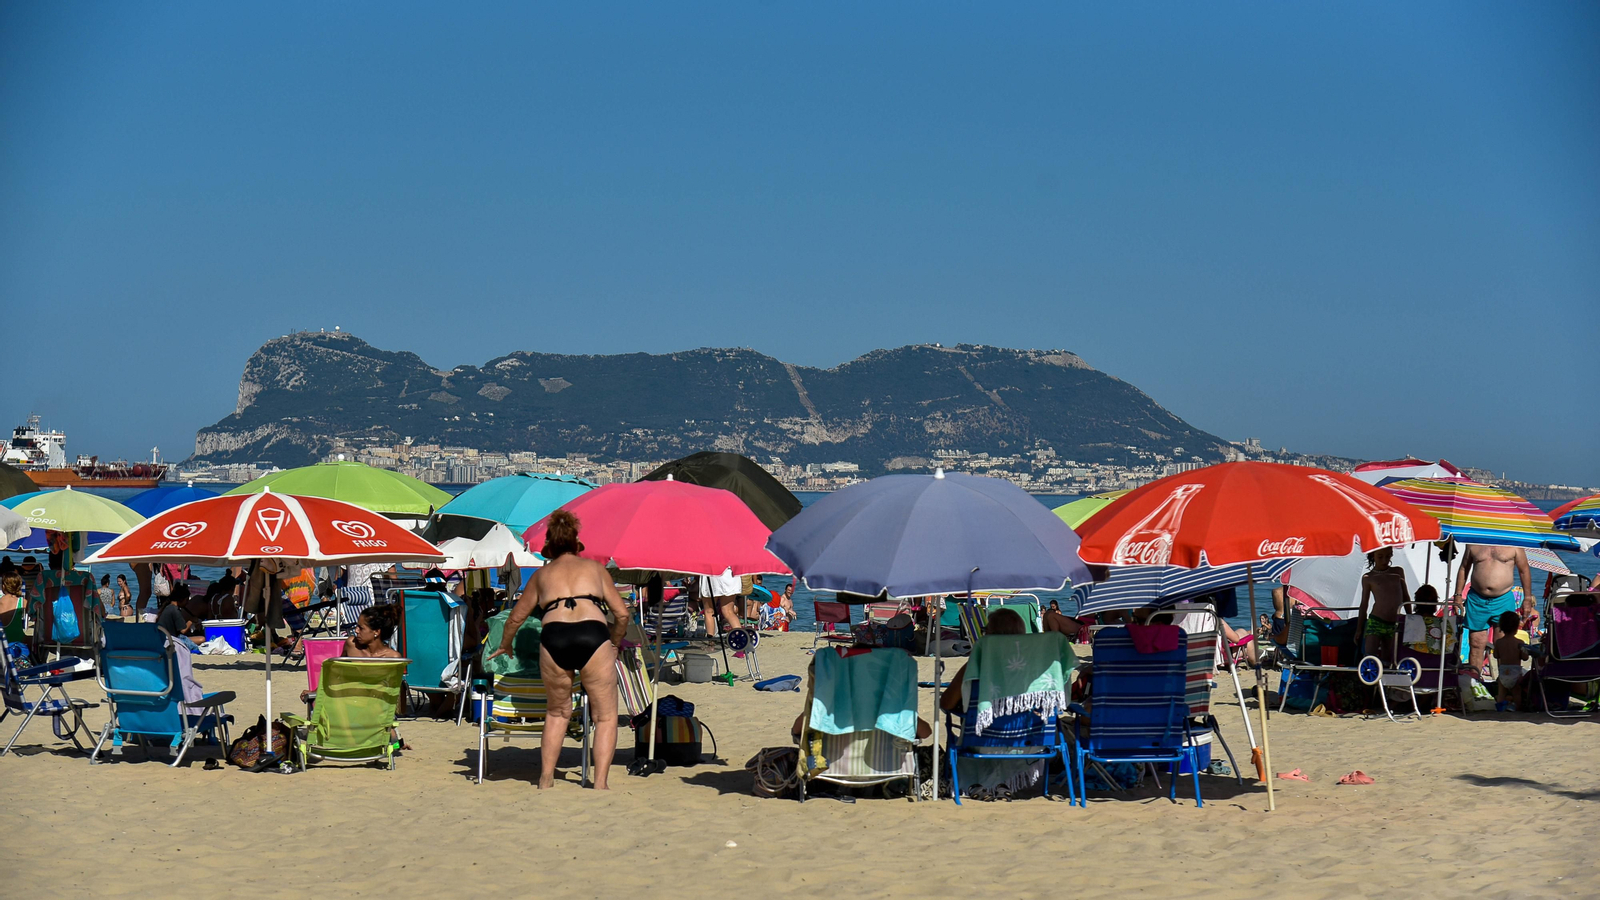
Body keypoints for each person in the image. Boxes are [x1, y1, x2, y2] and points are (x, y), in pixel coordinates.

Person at [486, 510, 629, 790]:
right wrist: (614, 643)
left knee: (557, 713)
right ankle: (599, 784)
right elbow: (622, 615)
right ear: (577, 543)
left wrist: (505, 645)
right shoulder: (596, 570)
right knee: (606, 716)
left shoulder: (542, 575)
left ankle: (546, 780)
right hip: (593, 635)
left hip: (555, 638)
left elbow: (515, 618)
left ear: (549, 546)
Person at [1455, 544, 1532, 677]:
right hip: (1477, 599)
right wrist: (1458, 595)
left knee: (1504, 643)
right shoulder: (1473, 543)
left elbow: (1524, 570)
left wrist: (1528, 598)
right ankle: (1475, 680)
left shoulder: (1513, 544)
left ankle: (1505, 683)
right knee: (1476, 643)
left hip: (1503, 599)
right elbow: (1464, 568)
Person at [940, 608, 1028, 711]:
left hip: (983, 725)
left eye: (985, 631)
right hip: (1026, 725)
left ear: (991, 636)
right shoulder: (1036, 668)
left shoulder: (977, 664)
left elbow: (946, 703)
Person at [1358, 548, 1409, 664]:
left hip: (1394, 622)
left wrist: (1410, 617)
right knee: (1369, 657)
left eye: (1388, 556)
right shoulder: (1368, 577)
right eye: (1380, 557)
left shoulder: (1398, 572)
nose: (1384, 560)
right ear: (1373, 556)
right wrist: (1359, 629)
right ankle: (1366, 680)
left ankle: (1385, 682)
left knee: (1388, 660)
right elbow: (1364, 604)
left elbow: (1406, 596)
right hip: (1376, 621)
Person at [1492, 610, 1528, 712]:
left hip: (1503, 671)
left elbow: (1495, 655)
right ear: (1517, 627)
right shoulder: (1519, 643)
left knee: (1501, 692)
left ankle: (1500, 707)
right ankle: (1518, 707)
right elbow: (1525, 658)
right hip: (1515, 671)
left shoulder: (1499, 642)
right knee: (1517, 692)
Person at [155, 585, 209, 652]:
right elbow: (183, 631)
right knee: (202, 639)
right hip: (171, 640)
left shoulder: (169, 607)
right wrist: (191, 620)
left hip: (164, 637)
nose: (187, 603)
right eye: (186, 600)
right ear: (181, 599)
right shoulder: (175, 610)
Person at [698, 566, 742, 637]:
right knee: (729, 612)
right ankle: (740, 639)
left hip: (711, 572)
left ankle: (711, 642)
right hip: (730, 573)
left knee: (709, 611)